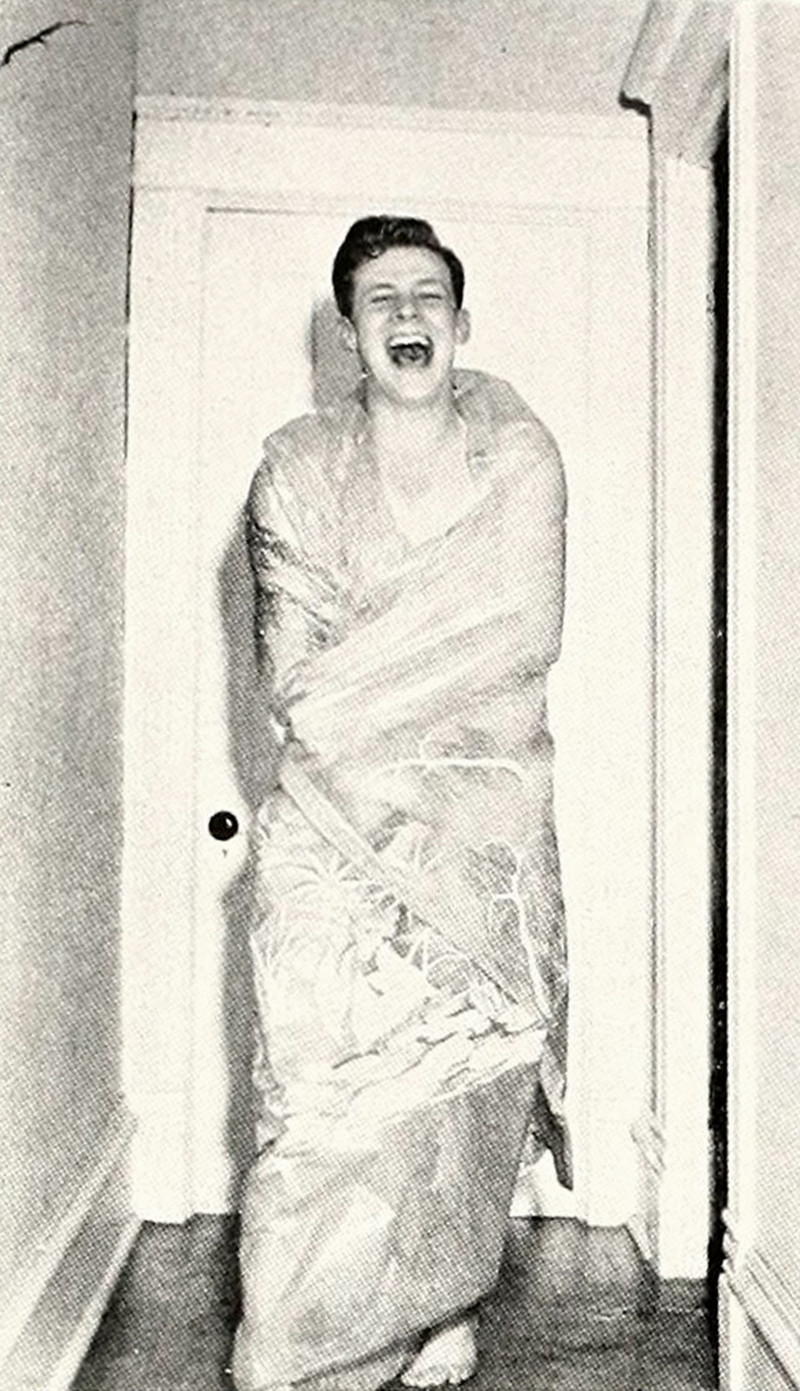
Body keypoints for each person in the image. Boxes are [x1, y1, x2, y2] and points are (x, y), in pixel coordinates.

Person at [232, 215, 571, 1391]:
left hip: (480, 821)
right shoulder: (293, 470)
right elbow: (293, 682)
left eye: (426, 294)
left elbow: (522, 629)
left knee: (457, 1082)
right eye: (380, 299)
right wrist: (365, 727)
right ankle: (295, 1348)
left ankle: (441, 1304)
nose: (406, 314)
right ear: (348, 333)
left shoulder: (520, 460)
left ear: (460, 322)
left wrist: (364, 703)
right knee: (315, 1086)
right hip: (329, 819)